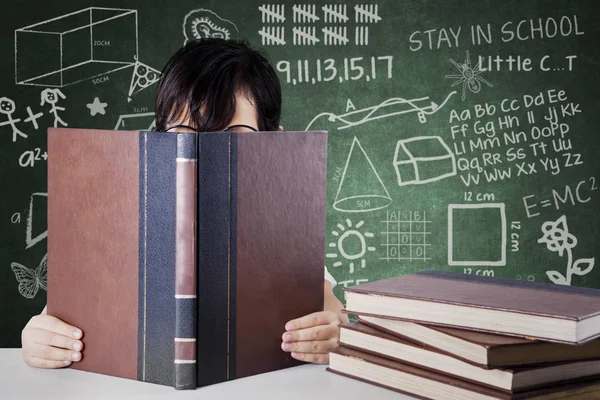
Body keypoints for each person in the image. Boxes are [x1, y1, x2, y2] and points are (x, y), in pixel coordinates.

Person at [21, 38, 348, 369]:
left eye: (233, 135)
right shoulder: (118, 221)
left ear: (275, 143)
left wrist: (337, 329)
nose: (204, 155)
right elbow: (53, 322)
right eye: (181, 134)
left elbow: (327, 303)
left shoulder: (283, 232)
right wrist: (40, 339)